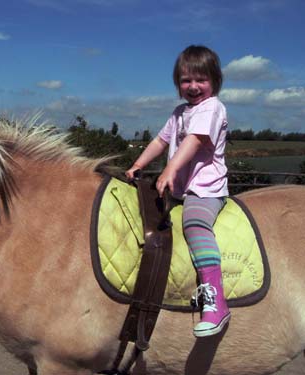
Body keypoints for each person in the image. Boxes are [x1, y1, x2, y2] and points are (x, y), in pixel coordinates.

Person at [125, 45, 230, 337]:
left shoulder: (212, 108)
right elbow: (160, 141)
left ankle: (216, 300)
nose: (193, 86)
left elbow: (195, 140)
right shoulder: (179, 112)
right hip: (180, 191)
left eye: (201, 79)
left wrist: (169, 169)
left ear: (215, 81)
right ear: (177, 84)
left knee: (195, 225)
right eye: (186, 80)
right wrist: (137, 164)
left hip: (205, 191)